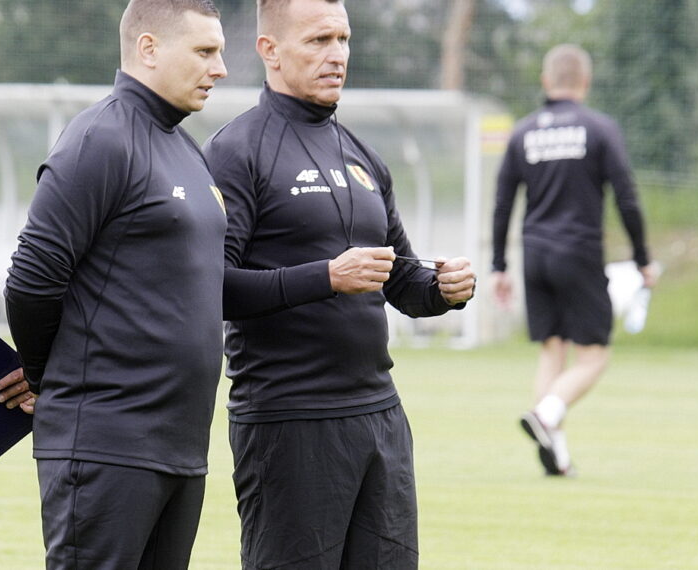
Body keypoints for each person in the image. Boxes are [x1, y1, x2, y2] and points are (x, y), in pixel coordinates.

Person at [201, 0, 477, 567]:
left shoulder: (362, 155)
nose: (338, 55)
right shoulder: (236, 152)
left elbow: (401, 280)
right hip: (288, 420)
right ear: (269, 51)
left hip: (379, 416)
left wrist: (443, 288)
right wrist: (326, 277)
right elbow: (211, 290)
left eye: (344, 39)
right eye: (319, 40)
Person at [0, 1, 228, 567]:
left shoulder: (183, 147)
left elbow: (207, 286)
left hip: (180, 447)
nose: (219, 68)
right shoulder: (101, 138)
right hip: (105, 445)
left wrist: (322, 278)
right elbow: (31, 280)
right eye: (204, 51)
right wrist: (52, 382)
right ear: (148, 49)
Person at [490, 44, 659, 477]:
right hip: (579, 252)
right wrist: (642, 258)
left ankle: (557, 456)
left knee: (552, 351)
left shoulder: (524, 132)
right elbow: (626, 196)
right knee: (594, 355)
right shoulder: (598, 129)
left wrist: (498, 266)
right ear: (585, 82)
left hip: (534, 255)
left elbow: (503, 202)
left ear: (547, 82)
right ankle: (546, 416)